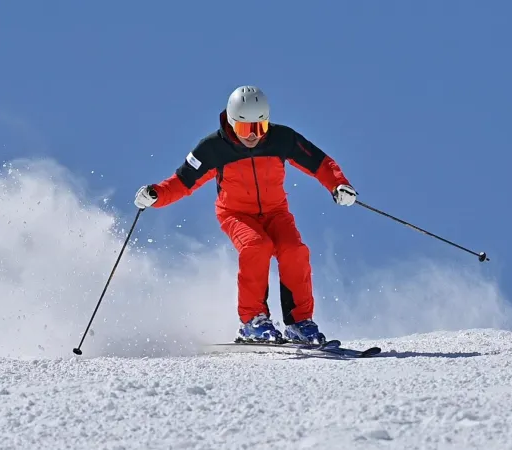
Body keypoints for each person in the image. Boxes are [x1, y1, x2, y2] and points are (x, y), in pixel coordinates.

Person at [134, 85, 357, 345]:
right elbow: (182, 182)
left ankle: (299, 323)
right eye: (244, 129)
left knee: (294, 250)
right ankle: (253, 322)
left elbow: (320, 163)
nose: (252, 137)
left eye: (258, 128)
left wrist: (339, 185)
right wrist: (155, 195)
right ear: (231, 123)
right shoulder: (212, 148)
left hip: (276, 212)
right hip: (236, 214)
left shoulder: (282, 139)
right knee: (256, 246)